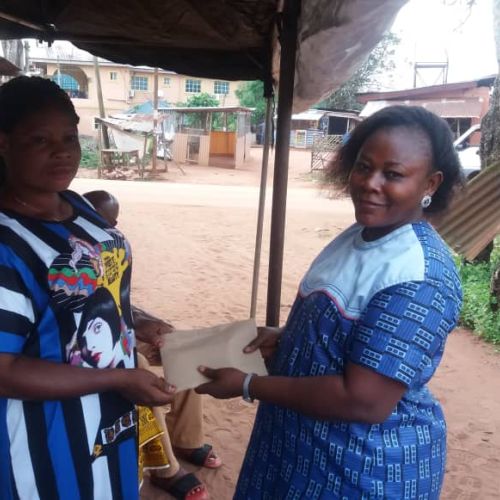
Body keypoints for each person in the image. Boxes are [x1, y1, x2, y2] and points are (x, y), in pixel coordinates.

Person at [195, 105, 464, 499]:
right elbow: (352, 332)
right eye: (363, 167)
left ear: (431, 184)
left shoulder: (420, 275)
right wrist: (289, 337)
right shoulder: (362, 234)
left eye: (393, 174)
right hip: (298, 446)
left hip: (361, 469)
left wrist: (249, 384)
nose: (370, 183)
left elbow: (365, 400)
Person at [0, 76, 176, 500]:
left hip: (109, 428)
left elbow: (92, 293)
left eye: (69, 137)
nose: (61, 151)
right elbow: (4, 373)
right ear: (3, 144)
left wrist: (139, 322)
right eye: (40, 140)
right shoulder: (7, 245)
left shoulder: (78, 207)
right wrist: (116, 378)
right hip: (43, 448)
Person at [83, 189, 222, 500]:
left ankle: (186, 438)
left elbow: (122, 300)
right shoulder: (71, 255)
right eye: (95, 220)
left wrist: (149, 323)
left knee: (179, 346)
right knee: (140, 366)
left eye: (109, 223)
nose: (105, 229)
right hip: (89, 349)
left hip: (118, 335)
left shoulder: (111, 247)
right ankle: (165, 468)